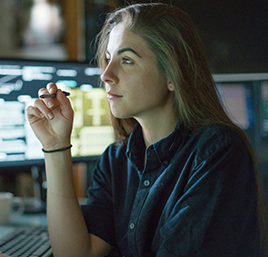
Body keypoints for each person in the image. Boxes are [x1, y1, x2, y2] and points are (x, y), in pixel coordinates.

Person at [26, 3, 268, 257]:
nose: (106, 75)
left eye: (127, 60)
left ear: (173, 75)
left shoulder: (217, 152)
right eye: (108, 59)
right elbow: (77, 254)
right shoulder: (116, 159)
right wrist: (55, 146)